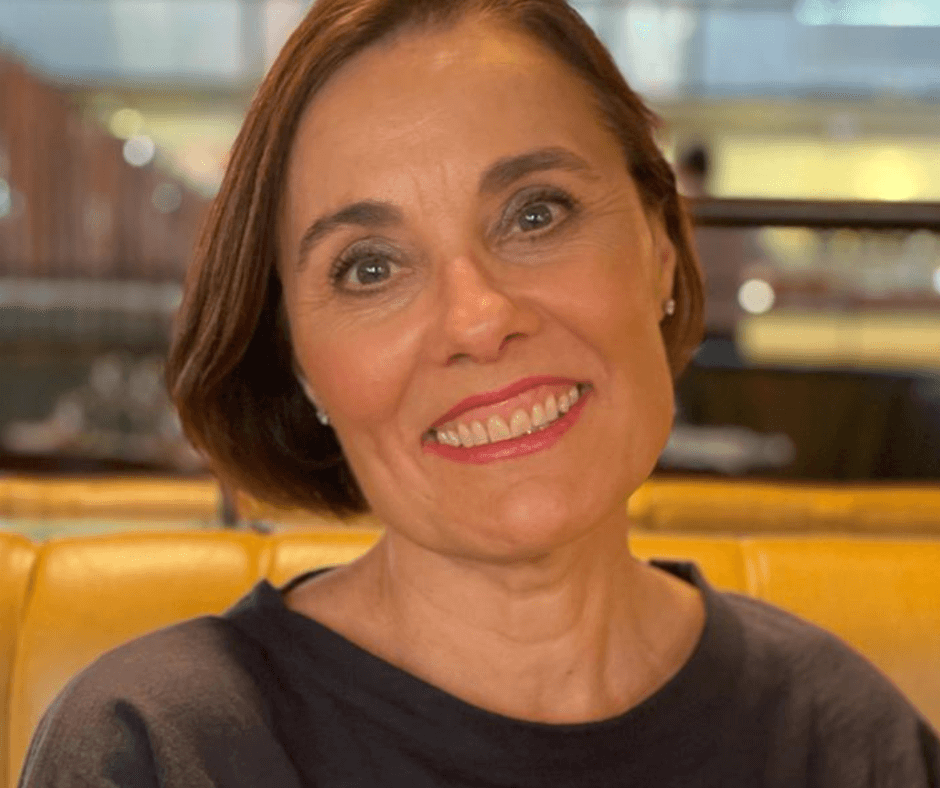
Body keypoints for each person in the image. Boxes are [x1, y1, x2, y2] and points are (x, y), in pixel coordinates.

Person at [18, 0, 939, 785]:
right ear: (302, 363)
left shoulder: (846, 738)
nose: (477, 319)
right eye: (370, 267)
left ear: (661, 247)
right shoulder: (160, 748)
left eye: (536, 213)